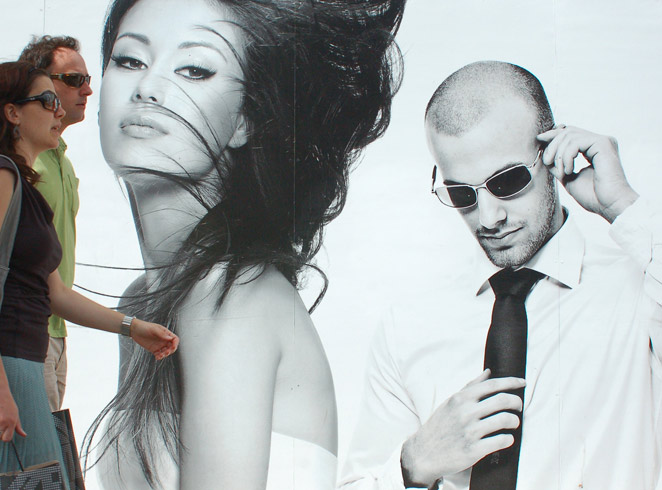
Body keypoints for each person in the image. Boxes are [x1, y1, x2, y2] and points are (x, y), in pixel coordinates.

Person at [86, 0, 404, 488]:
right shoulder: (144, 301)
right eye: (130, 60)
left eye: (194, 69)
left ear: (245, 120)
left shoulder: (230, 295)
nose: (148, 88)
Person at [339, 60, 662, 490]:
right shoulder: (409, 326)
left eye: (507, 181)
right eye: (461, 194)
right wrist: (414, 463)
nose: (488, 217)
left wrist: (623, 206)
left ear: (551, 155)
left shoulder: (638, 290)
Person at [0, 61, 178, 485]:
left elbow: (55, 294)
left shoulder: (25, 188)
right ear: (13, 112)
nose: (58, 111)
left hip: (21, 363)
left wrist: (132, 327)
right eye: (48, 100)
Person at [18, 35, 93, 411]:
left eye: (87, 78)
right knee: (33, 465)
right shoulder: (21, 162)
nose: (88, 90)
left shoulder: (59, 156)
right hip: (23, 334)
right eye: (74, 79)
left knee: (45, 465)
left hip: (55, 329)